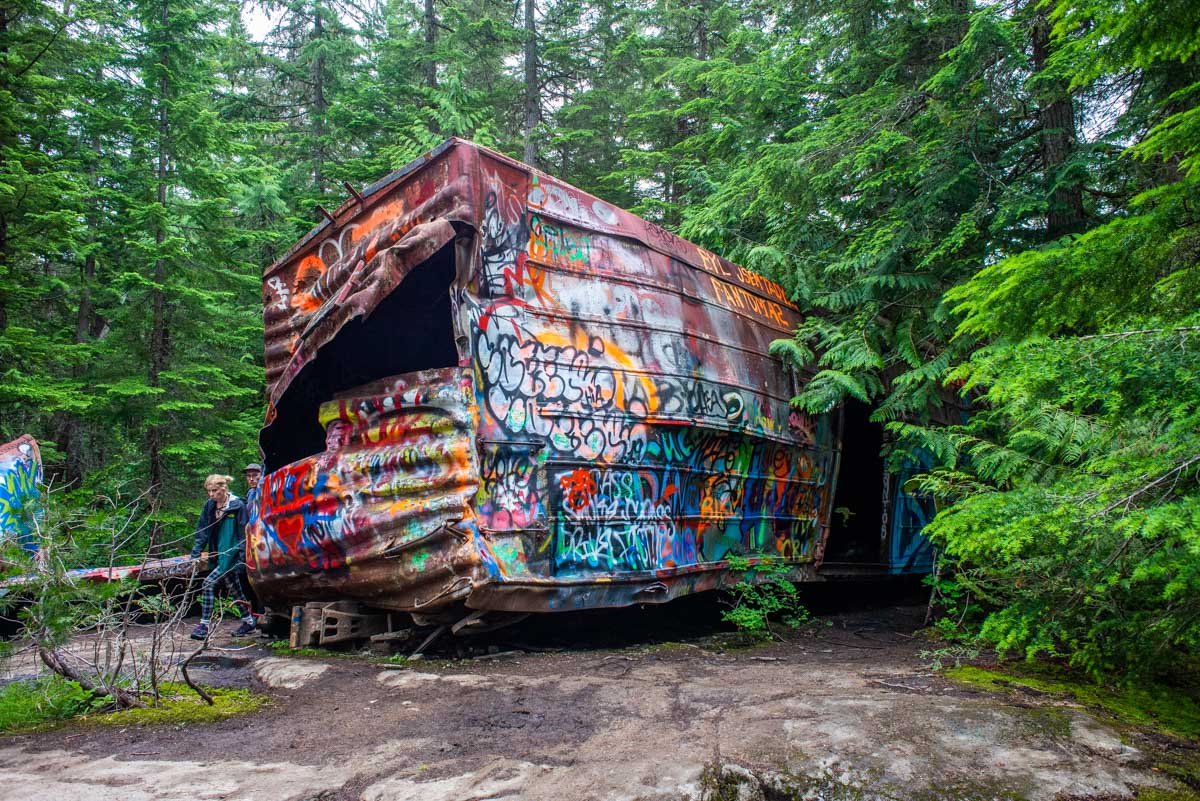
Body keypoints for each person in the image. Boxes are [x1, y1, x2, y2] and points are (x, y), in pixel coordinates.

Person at [188, 474, 255, 640]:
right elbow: (203, 530)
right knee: (234, 588)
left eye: (214, 491)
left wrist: (241, 559)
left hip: (231, 554)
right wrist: (196, 552)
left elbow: (244, 534)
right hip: (218, 552)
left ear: (223, 488)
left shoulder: (237, 506)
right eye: (209, 491)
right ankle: (249, 621)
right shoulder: (210, 505)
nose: (211, 494)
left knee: (208, 583)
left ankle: (204, 625)